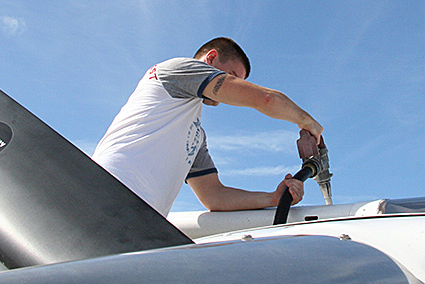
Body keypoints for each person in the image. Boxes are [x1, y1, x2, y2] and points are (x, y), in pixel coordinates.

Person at [92, 37, 323, 216]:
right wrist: (307, 122)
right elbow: (265, 99)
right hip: (106, 191)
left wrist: (273, 198)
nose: (233, 87)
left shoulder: (195, 135)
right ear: (211, 58)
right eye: (232, 76)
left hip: (143, 216)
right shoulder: (177, 69)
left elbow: (214, 196)